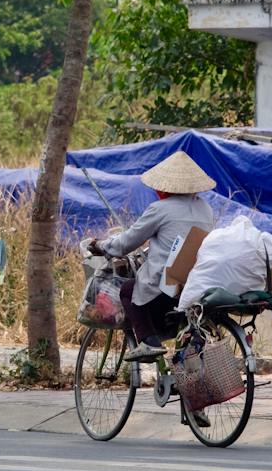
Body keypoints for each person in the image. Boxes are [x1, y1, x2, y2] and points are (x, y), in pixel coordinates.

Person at [89, 151, 215, 363]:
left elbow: (127, 242)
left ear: (163, 187)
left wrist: (101, 245)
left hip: (167, 287)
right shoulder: (205, 209)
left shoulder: (160, 209)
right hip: (194, 283)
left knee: (128, 289)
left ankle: (148, 341)